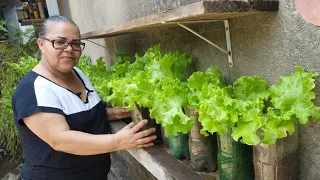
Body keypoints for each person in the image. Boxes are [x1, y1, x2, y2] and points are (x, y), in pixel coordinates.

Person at [11, 15, 156, 180]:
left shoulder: (77, 73)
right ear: (41, 44)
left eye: (75, 43)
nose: (69, 49)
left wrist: (114, 113)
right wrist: (117, 141)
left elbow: (78, 116)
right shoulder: (32, 89)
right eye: (59, 42)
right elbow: (60, 140)